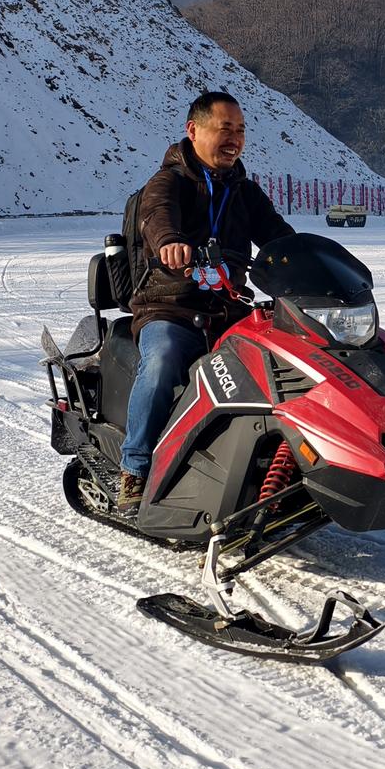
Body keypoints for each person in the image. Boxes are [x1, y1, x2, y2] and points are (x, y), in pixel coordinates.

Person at [121, 91, 293, 512]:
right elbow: (156, 216)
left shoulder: (244, 191)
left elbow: (278, 235)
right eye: (224, 129)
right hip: (171, 306)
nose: (234, 138)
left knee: (286, 362)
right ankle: (135, 468)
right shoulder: (168, 182)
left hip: (228, 310)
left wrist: (309, 258)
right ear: (193, 131)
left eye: (240, 130)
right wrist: (170, 242)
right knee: (162, 361)